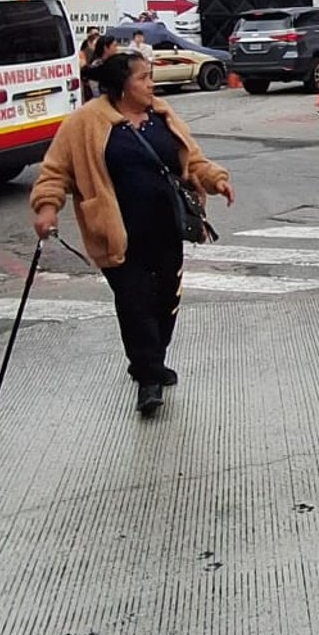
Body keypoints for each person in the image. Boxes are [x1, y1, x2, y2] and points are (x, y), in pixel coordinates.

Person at [31, 53, 233, 417]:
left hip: (167, 229)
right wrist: (47, 208)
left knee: (166, 302)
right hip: (118, 235)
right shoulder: (85, 122)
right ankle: (148, 377)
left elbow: (192, 160)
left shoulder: (162, 114)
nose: (150, 84)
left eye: (150, 77)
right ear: (122, 86)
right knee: (135, 304)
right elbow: (55, 172)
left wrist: (215, 180)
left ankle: (151, 359)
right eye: (143, 78)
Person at [83, 36, 122, 102]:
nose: (116, 49)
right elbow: (95, 89)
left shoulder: (115, 64)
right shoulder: (96, 66)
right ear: (106, 48)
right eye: (114, 46)